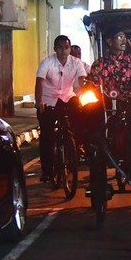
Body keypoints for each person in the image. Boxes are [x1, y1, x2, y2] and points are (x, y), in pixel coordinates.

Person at [35, 35, 87, 182]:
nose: (63, 51)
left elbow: (82, 81)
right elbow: (39, 82)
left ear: (70, 48)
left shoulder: (76, 63)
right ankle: (47, 172)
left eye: (66, 47)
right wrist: (39, 102)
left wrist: (82, 97)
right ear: (54, 48)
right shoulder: (47, 63)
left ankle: (77, 145)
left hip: (67, 97)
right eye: (60, 47)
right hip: (48, 100)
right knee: (47, 136)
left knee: (83, 117)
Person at [88, 26, 131, 104]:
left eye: (125, 37)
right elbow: (94, 86)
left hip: (129, 104)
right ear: (109, 41)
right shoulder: (99, 64)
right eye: (120, 37)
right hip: (105, 106)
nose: (124, 40)